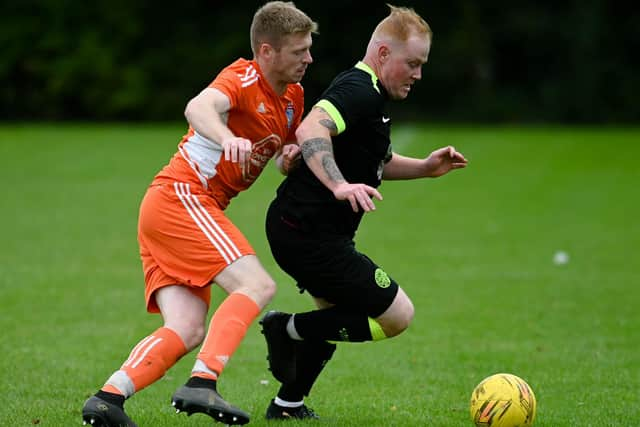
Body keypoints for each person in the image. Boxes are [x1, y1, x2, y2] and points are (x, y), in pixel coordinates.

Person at [81, 2, 317, 426]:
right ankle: (202, 383)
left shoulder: (292, 98)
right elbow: (198, 107)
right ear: (267, 51)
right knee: (256, 285)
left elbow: (280, 152)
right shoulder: (242, 77)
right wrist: (227, 136)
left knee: (188, 328)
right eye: (299, 51)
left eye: (308, 49)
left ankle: (107, 399)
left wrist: (290, 158)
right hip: (182, 197)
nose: (308, 59)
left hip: (170, 207)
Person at [259, 4, 468, 420]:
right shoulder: (358, 89)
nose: (418, 74)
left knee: (335, 318)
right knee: (397, 315)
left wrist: (426, 169)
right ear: (384, 54)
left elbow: (375, 163)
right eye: (413, 63)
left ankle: (287, 403)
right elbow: (311, 128)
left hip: (303, 229)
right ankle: (285, 328)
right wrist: (337, 184)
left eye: (422, 64)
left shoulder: (372, 97)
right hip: (307, 233)